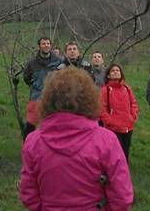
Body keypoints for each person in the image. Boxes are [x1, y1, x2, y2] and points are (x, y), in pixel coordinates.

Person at [20, 67, 133, 211]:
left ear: (48, 99)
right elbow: (122, 196)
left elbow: (28, 193)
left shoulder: (33, 141)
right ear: (89, 98)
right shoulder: (106, 140)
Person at [22, 37, 63, 139]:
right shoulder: (32, 63)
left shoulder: (58, 61)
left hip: (53, 99)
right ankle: (27, 149)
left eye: (48, 43)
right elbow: (26, 78)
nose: (46, 45)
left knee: (52, 127)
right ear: (39, 46)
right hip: (36, 97)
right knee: (30, 126)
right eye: (43, 44)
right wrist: (36, 85)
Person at [99, 63, 139, 162]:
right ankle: (112, 173)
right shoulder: (105, 90)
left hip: (128, 127)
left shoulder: (127, 88)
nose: (116, 72)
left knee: (126, 151)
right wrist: (109, 121)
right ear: (108, 75)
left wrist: (132, 116)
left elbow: (133, 103)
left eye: (118, 70)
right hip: (113, 128)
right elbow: (101, 109)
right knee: (115, 153)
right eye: (113, 71)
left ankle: (124, 173)